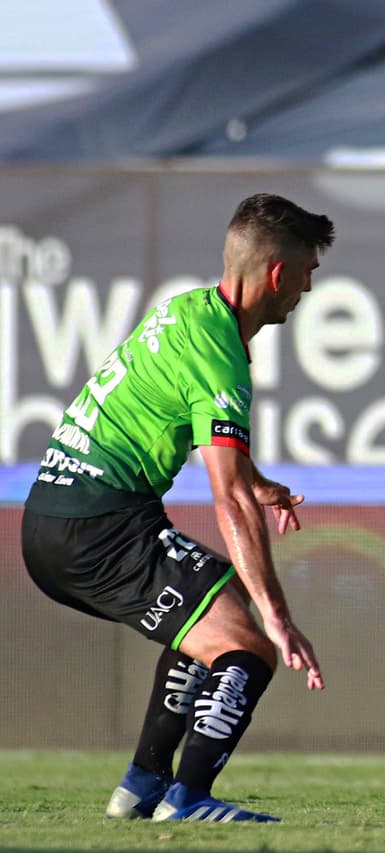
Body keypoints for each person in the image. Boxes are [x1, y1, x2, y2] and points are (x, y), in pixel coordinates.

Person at [21, 193, 334, 823]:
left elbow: (227, 466)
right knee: (249, 647)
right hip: (99, 525)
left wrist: (258, 480)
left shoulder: (187, 313)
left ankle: (142, 785)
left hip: (52, 521)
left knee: (211, 617)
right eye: (309, 269)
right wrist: (279, 616)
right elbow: (228, 497)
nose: (310, 284)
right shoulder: (220, 353)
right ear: (279, 274)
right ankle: (188, 799)